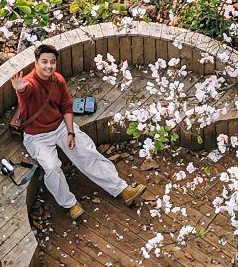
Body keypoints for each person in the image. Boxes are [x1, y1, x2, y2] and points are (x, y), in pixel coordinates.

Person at [11, 43, 144, 218]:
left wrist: (71, 132)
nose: (48, 66)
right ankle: (70, 203)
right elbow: (25, 91)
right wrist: (19, 88)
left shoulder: (57, 80)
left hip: (59, 126)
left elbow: (67, 106)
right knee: (51, 167)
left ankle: (122, 189)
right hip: (37, 136)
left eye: (52, 62)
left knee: (86, 152)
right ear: (36, 63)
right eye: (44, 62)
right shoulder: (30, 83)